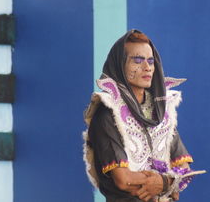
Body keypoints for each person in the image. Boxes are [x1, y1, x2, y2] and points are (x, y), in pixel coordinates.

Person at [83, 30, 195, 202]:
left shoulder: (161, 112)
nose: (147, 67)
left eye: (151, 61)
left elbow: (185, 171)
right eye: (137, 60)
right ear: (120, 65)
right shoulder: (108, 113)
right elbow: (123, 180)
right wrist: (167, 183)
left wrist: (163, 183)